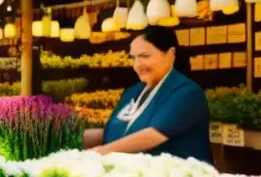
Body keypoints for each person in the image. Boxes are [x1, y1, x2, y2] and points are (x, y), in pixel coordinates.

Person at [86, 25, 212, 162]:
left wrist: (100, 154)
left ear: (170, 54)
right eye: (133, 58)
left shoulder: (187, 92)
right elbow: (114, 131)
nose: (137, 65)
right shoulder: (133, 92)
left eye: (144, 56)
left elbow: (153, 135)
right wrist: (67, 136)